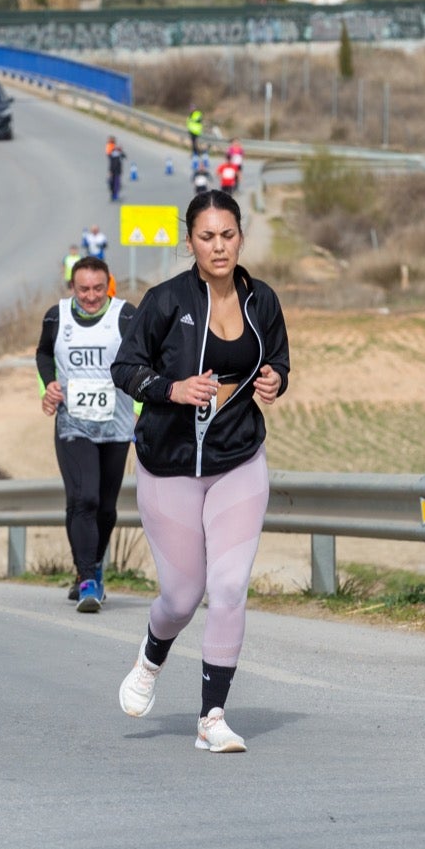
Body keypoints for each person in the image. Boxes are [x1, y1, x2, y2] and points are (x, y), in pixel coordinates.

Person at [110, 190, 290, 754]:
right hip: (170, 466)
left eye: (228, 235)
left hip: (238, 458)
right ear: (191, 241)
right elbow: (125, 368)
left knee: (230, 586)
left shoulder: (262, 300)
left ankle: (212, 716)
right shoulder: (164, 301)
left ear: (241, 236)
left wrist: (274, 380)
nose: (219, 246)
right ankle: (151, 656)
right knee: (182, 596)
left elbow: (278, 359)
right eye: (207, 237)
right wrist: (172, 389)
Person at [36, 256, 137, 611]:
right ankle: (88, 579)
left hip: (116, 425)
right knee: (84, 499)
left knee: (106, 508)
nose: (91, 297)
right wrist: (48, 386)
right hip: (72, 423)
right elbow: (44, 354)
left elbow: (144, 361)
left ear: (108, 285)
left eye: (97, 289)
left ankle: (90, 566)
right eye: (83, 290)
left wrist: (143, 408)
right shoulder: (56, 316)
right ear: (72, 287)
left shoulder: (126, 316)